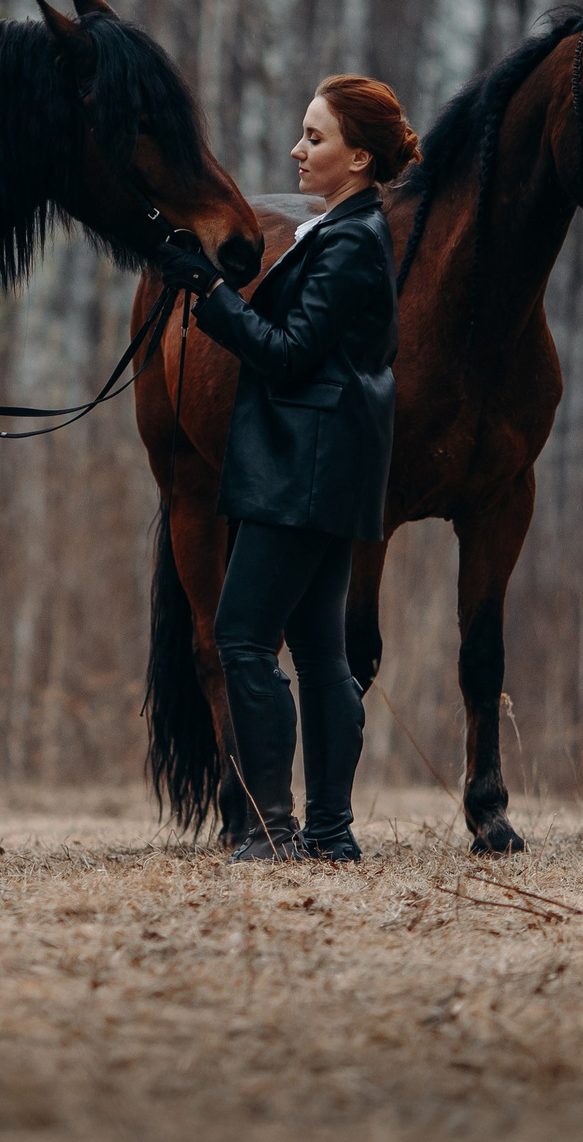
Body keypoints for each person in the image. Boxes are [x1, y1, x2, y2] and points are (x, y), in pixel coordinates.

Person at [154, 75, 415, 862]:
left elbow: (291, 355)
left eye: (316, 138)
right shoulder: (344, 230)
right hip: (327, 465)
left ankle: (273, 830)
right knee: (321, 654)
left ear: (360, 158)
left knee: (241, 638)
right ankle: (330, 834)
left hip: (304, 468)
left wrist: (211, 297)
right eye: (303, 135)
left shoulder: (351, 241)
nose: (298, 152)